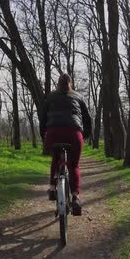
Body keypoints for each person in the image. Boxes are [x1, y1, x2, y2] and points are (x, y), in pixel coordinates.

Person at [39, 73, 92, 216]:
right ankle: (75, 197)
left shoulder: (50, 97)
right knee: (73, 165)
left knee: (55, 160)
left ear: (58, 84)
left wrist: (44, 136)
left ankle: (52, 188)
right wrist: (84, 135)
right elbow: (87, 119)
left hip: (53, 133)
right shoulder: (78, 97)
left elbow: (43, 119)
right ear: (71, 83)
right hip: (74, 133)